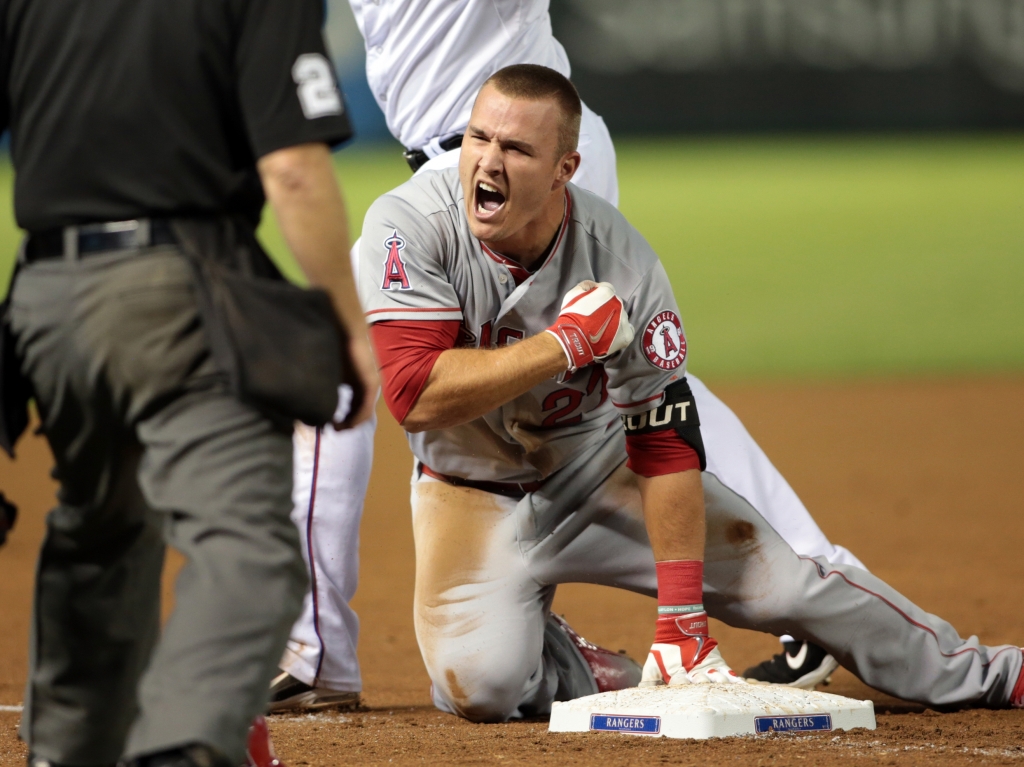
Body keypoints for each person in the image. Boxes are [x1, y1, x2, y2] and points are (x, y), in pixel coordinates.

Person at [356, 64, 1024, 722]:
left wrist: (681, 617)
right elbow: (415, 393)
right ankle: (582, 666)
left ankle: (989, 672)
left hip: (589, 473)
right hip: (464, 493)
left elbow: (664, 436)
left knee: (784, 582)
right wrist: (564, 345)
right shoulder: (411, 226)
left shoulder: (620, 258)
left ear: (565, 169)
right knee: (483, 688)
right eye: (479, 138)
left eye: (516, 148)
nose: (488, 163)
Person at [270, 0, 872, 710]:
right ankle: (323, 653)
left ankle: (815, 580)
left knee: (636, 377)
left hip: (526, 171)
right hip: (456, 183)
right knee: (621, 376)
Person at [0, 0, 377, 764]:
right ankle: (179, 745)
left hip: (44, 298)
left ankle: (61, 748)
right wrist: (347, 324)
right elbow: (293, 170)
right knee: (250, 547)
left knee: (101, 527)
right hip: (177, 292)